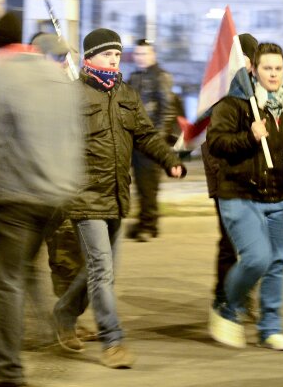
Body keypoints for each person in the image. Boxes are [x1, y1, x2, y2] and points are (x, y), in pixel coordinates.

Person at [53, 28, 186, 370]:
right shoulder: (73, 95)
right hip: (85, 197)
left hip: (116, 195)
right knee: (101, 270)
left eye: (116, 54)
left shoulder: (125, 94)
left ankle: (65, 313)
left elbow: (146, 134)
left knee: (104, 272)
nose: (114, 59)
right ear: (90, 59)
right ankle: (113, 341)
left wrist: (170, 161)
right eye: (106, 54)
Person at [0, 12, 84, 387]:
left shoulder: (4, 74)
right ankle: (38, 339)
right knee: (21, 273)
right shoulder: (57, 76)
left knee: (9, 282)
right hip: (54, 196)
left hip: (12, 195)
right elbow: (74, 136)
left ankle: (8, 371)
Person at [207, 41, 283, 351]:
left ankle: (270, 327)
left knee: (276, 263)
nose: (273, 74)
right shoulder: (234, 105)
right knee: (257, 259)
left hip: (280, 198)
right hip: (240, 195)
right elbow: (217, 144)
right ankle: (228, 309)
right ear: (254, 70)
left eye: (278, 68)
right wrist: (250, 136)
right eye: (267, 69)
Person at [204, 32, 258, 312]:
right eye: (238, 59)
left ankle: (243, 291)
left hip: (254, 177)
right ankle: (223, 295)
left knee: (254, 242)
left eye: (246, 59)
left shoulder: (262, 93)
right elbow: (216, 140)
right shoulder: (222, 94)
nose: (242, 65)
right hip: (224, 174)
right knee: (230, 239)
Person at [126, 38, 179, 242]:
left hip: (151, 142)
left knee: (148, 186)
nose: (140, 58)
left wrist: (156, 140)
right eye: (138, 54)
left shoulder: (160, 77)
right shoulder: (134, 77)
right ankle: (147, 223)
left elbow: (166, 110)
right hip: (136, 141)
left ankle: (148, 225)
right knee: (141, 185)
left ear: (153, 55)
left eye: (144, 54)